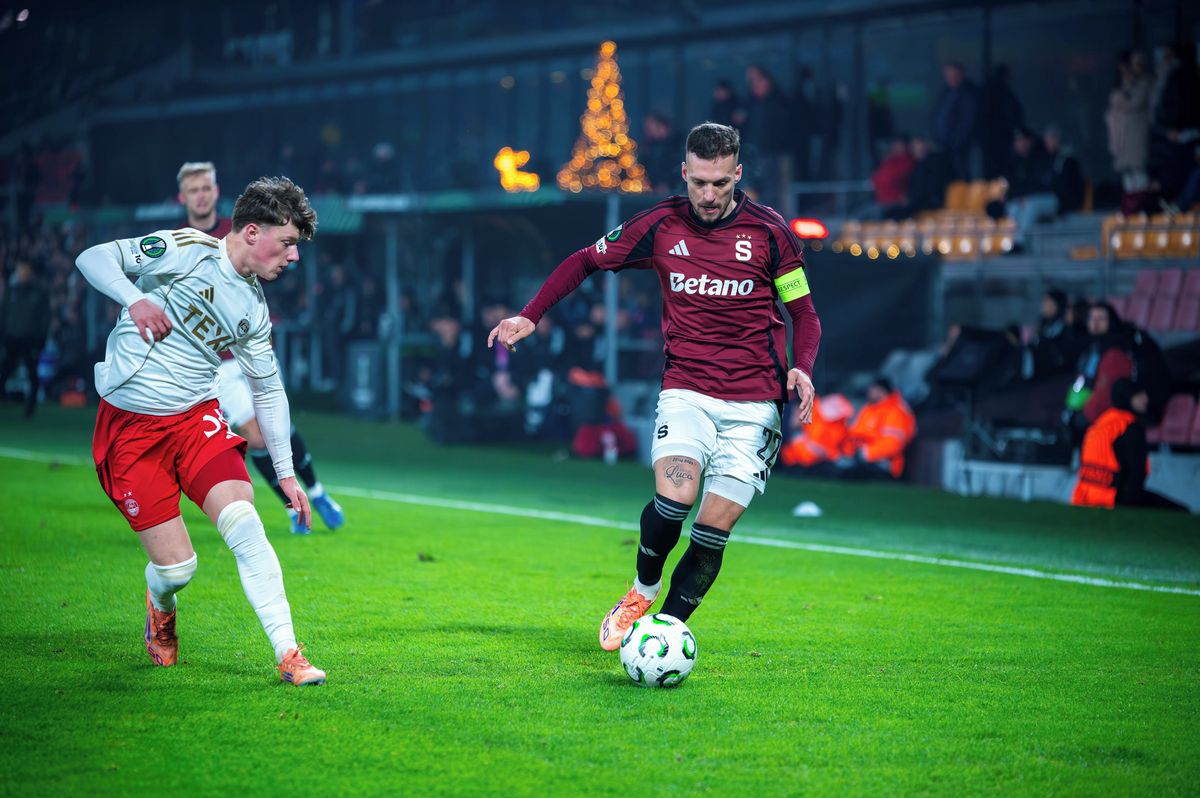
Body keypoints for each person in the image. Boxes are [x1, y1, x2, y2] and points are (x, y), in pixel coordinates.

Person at [488, 122, 821, 648]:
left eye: (720, 183)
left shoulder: (770, 232)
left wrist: (802, 365)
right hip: (687, 390)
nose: (708, 195)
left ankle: (664, 630)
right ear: (684, 173)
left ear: (737, 174)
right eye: (699, 182)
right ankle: (642, 591)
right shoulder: (661, 224)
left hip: (755, 403)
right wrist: (530, 315)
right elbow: (585, 260)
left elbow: (803, 312)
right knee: (674, 500)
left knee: (712, 530)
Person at [75, 176, 326, 686]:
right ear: (252, 232)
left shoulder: (253, 309)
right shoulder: (187, 250)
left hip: (195, 420)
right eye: (287, 243)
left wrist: (285, 473)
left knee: (246, 525)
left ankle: (289, 653)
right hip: (131, 429)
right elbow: (93, 258)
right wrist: (135, 299)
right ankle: (160, 606)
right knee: (177, 570)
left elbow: (268, 390)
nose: (294, 256)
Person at [176, 162, 344, 535]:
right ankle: (293, 506)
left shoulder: (239, 229)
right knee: (255, 434)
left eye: (206, 188)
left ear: (215, 192)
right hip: (217, 361)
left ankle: (316, 492)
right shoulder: (180, 241)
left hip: (251, 344)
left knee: (279, 426)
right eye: (194, 190)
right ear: (183, 197)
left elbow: (272, 266)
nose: (201, 196)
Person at [1071, 379, 1187, 510]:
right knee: (1182, 513)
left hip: (1086, 497)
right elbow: (1136, 473)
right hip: (1114, 498)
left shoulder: (1101, 423)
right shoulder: (1130, 427)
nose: (1145, 398)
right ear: (1127, 399)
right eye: (1139, 395)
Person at [0, 258, 51, 417]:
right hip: (12, 339)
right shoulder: (11, 291)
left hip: (30, 340)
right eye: (21, 269)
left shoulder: (39, 293)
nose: (23, 273)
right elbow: (3, 315)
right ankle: (4, 400)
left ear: (31, 272)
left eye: (26, 269)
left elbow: (44, 318)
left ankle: (30, 408)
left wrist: (41, 339)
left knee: (32, 374)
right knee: (4, 371)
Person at [837, 377, 916, 479]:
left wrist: (865, 453)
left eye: (872, 390)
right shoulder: (868, 409)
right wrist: (847, 452)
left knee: (848, 474)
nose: (869, 393)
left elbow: (893, 444)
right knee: (837, 469)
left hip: (884, 464)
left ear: (881, 391)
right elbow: (855, 434)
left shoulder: (895, 411)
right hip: (861, 459)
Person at [931, 61, 978, 180]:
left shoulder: (968, 93)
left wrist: (956, 142)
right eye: (947, 75)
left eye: (953, 75)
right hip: (945, 145)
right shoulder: (947, 93)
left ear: (961, 75)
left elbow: (968, 122)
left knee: (961, 174)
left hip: (960, 147)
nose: (950, 79)